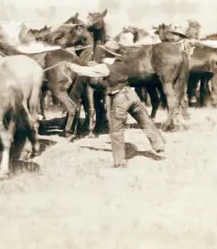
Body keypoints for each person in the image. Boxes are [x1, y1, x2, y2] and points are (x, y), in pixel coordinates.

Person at [67, 40, 166, 168]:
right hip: (132, 95)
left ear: (106, 54)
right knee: (146, 121)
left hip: (119, 98)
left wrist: (71, 66)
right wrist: (95, 65)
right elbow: (105, 67)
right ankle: (158, 145)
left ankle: (120, 161)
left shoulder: (105, 67)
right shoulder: (124, 63)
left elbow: (84, 72)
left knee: (116, 131)